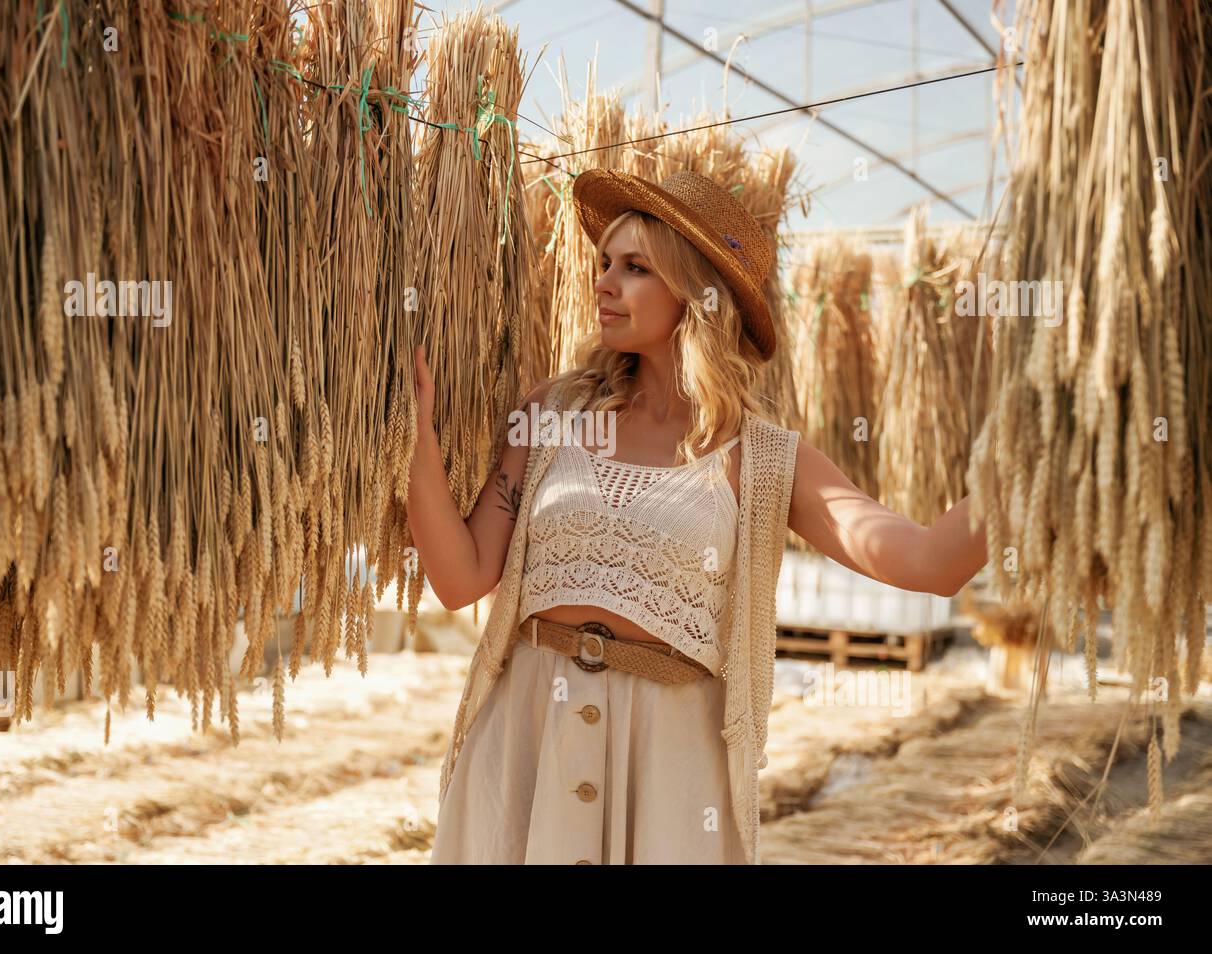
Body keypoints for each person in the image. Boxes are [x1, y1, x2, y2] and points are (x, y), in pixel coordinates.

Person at [407, 168, 989, 864]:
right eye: (603, 264)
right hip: (526, 748)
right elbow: (461, 576)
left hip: (668, 773)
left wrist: (1026, 465)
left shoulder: (766, 459)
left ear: (697, 295)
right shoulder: (554, 413)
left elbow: (929, 562)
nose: (604, 282)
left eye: (634, 268)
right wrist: (417, 439)